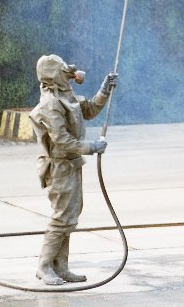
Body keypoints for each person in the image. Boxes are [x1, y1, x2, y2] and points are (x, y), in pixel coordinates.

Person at [29, 54, 118, 285]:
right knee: (61, 217)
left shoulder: (65, 96)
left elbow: (88, 110)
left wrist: (104, 91)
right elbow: (62, 141)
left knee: (70, 217)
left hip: (71, 164)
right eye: (63, 70)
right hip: (59, 167)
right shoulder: (50, 104)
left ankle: (61, 266)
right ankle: (44, 266)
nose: (69, 73)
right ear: (54, 75)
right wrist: (91, 147)